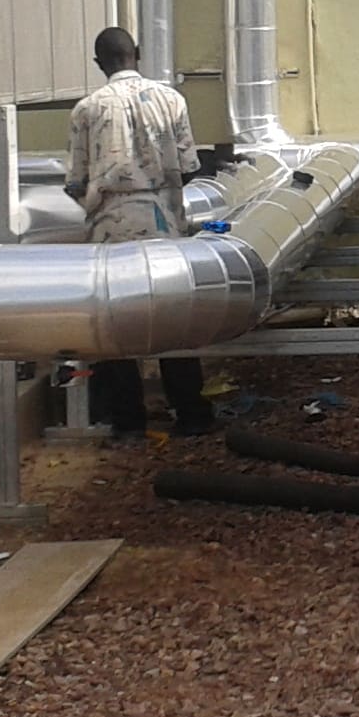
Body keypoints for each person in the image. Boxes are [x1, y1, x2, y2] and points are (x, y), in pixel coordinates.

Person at [63, 25, 213, 438]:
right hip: (164, 225)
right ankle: (192, 415)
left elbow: (75, 181)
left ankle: (128, 423)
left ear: (98, 63)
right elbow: (189, 166)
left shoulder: (87, 110)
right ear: (139, 54)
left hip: (110, 232)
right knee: (174, 320)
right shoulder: (171, 99)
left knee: (115, 326)